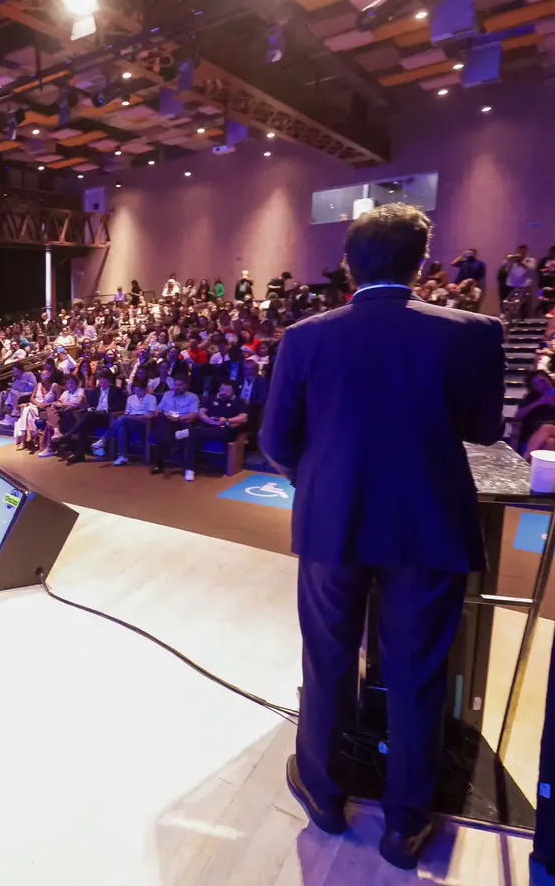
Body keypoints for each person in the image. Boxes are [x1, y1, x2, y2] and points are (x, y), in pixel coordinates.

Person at [260, 203, 504, 870]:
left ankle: (323, 793)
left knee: (328, 659)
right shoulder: (475, 332)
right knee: (417, 672)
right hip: (429, 524)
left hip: (333, 523)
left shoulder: (304, 338)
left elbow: (276, 440)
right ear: (422, 262)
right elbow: (486, 430)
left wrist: (321, 479)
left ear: (348, 264)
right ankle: (405, 826)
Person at [60, 370, 126, 464]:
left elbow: (120, 406)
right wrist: (91, 408)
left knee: (87, 417)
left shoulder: (116, 391)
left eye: (104, 382)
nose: (102, 384)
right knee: (84, 425)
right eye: (101, 382)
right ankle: (80, 454)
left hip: (108, 417)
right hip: (95, 415)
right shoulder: (95, 390)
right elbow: (91, 404)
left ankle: (70, 433)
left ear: (110, 381)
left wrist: (106, 410)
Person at [150, 375, 201, 475]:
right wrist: (159, 412)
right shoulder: (167, 394)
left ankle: (159, 462)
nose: (176, 387)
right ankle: (167, 444)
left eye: (179, 385)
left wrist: (179, 418)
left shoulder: (192, 397)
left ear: (186, 385)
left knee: (164, 432)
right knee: (161, 421)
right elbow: (158, 409)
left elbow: (194, 414)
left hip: (182, 422)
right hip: (167, 421)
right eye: (175, 385)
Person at [103, 379, 157, 466]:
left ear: (145, 389)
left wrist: (139, 417)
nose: (137, 393)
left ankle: (104, 439)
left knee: (122, 419)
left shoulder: (151, 398)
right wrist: (130, 417)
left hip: (143, 421)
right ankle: (123, 456)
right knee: (122, 427)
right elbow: (127, 413)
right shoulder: (130, 398)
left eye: (139, 390)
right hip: (130, 419)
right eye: (135, 391)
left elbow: (151, 414)